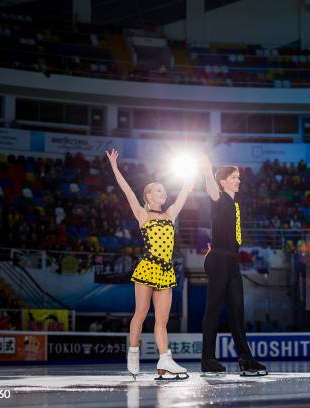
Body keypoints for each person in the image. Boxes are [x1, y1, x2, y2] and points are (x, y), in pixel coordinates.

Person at [106, 149, 192, 380]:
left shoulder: (171, 214)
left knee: (162, 321)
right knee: (141, 313)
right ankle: (133, 354)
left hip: (166, 271)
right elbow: (126, 191)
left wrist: (192, 173)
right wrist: (115, 169)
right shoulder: (143, 215)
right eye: (157, 190)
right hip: (148, 267)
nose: (163, 193)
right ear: (148, 196)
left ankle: (164, 362)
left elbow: (185, 192)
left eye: (164, 190)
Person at [199, 154, 267, 376]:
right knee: (214, 309)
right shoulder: (219, 199)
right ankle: (208, 359)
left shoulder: (234, 203)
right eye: (234, 177)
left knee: (237, 310)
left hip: (231, 260)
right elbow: (210, 188)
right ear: (223, 181)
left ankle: (246, 360)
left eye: (238, 177)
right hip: (218, 258)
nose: (239, 180)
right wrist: (208, 168)